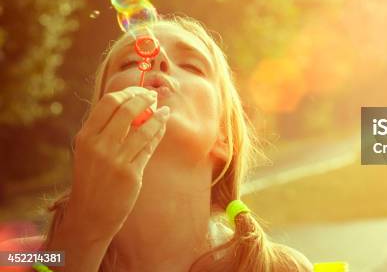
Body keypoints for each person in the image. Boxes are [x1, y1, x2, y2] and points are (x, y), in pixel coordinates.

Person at [3, 14, 313, 271]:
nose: (156, 58)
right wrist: (84, 232)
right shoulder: (17, 258)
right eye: (128, 63)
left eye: (192, 66)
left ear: (224, 136)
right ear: (100, 119)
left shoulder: (277, 267)